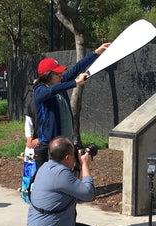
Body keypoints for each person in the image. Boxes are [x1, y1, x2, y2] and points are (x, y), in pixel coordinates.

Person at [33, 42, 110, 172]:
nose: (61, 75)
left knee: (67, 176)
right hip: (49, 147)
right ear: (47, 75)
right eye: (57, 73)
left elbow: (76, 69)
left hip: (64, 144)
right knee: (47, 181)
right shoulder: (40, 90)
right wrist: (75, 83)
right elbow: (50, 92)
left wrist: (95, 53)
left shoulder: (59, 82)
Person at [27, 137, 98, 226]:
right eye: (73, 153)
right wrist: (85, 165)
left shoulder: (47, 166)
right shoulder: (60, 174)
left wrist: (76, 167)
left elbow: (72, 186)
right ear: (67, 158)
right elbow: (88, 194)